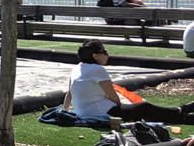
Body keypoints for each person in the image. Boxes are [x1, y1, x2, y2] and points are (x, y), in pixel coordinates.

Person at [63, 40, 194, 124]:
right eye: (104, 52)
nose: (107, 54)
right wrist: (120, 105)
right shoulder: (98, 69)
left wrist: (65, 111)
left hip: (84, 111)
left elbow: (69, 93)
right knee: (143, 107)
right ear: (95, 56)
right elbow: (113, 96)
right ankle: (181, 113)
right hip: (101, 112)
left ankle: (181, 113)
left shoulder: (77, 67)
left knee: (143, 111)